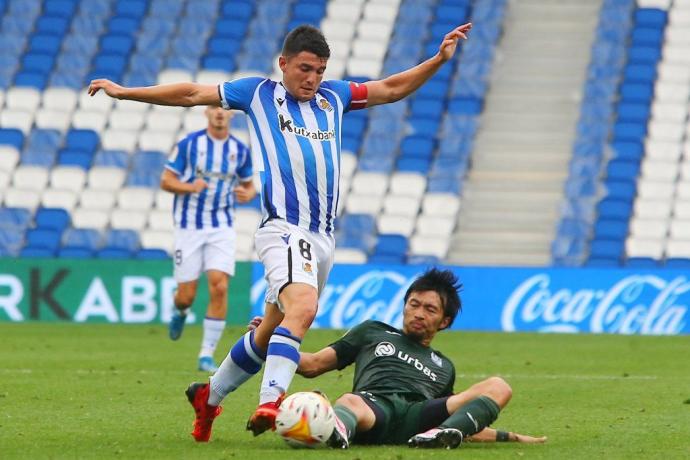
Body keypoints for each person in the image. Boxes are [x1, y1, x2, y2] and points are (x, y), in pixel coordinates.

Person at [88, 22, 473, 443]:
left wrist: (437, 60)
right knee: (303, 310)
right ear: (283, 64)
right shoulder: (258, 93)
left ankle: (209, 395)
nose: (312, 79)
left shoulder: (334, 97)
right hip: (285, 229)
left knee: (269, 331)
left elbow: (391, 88)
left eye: (320, 70)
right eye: (305, 68)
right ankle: (272, 401)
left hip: (323, 237)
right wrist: (125, 91)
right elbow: (190, 94)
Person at [256, 269, 547, 449]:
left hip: (418, 417)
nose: (419, 313)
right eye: (414, 304)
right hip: (373, 409)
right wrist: (273, 339)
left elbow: (461, 416)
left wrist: (511, 437)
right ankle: (338, 429)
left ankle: (439, 438)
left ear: (444, 321)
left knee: (498, 386)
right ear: (405, 305)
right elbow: (312, 365)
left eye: (430, 310)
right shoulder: (373, 331)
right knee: (350, 400)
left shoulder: (444, 365)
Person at [161, 106, 256, 372]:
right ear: (206, 112)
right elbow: (166, 181)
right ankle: (180, 311)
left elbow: (249, 185)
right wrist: (190, 187)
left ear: (231, 116)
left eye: (224, 110)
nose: (219, 113)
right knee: (186, 296)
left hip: (221, 226)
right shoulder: (190, 145)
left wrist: (249, 193)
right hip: (188, 227)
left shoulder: (239, 150)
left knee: (219, 286)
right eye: (215, 108)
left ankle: (206, 354)